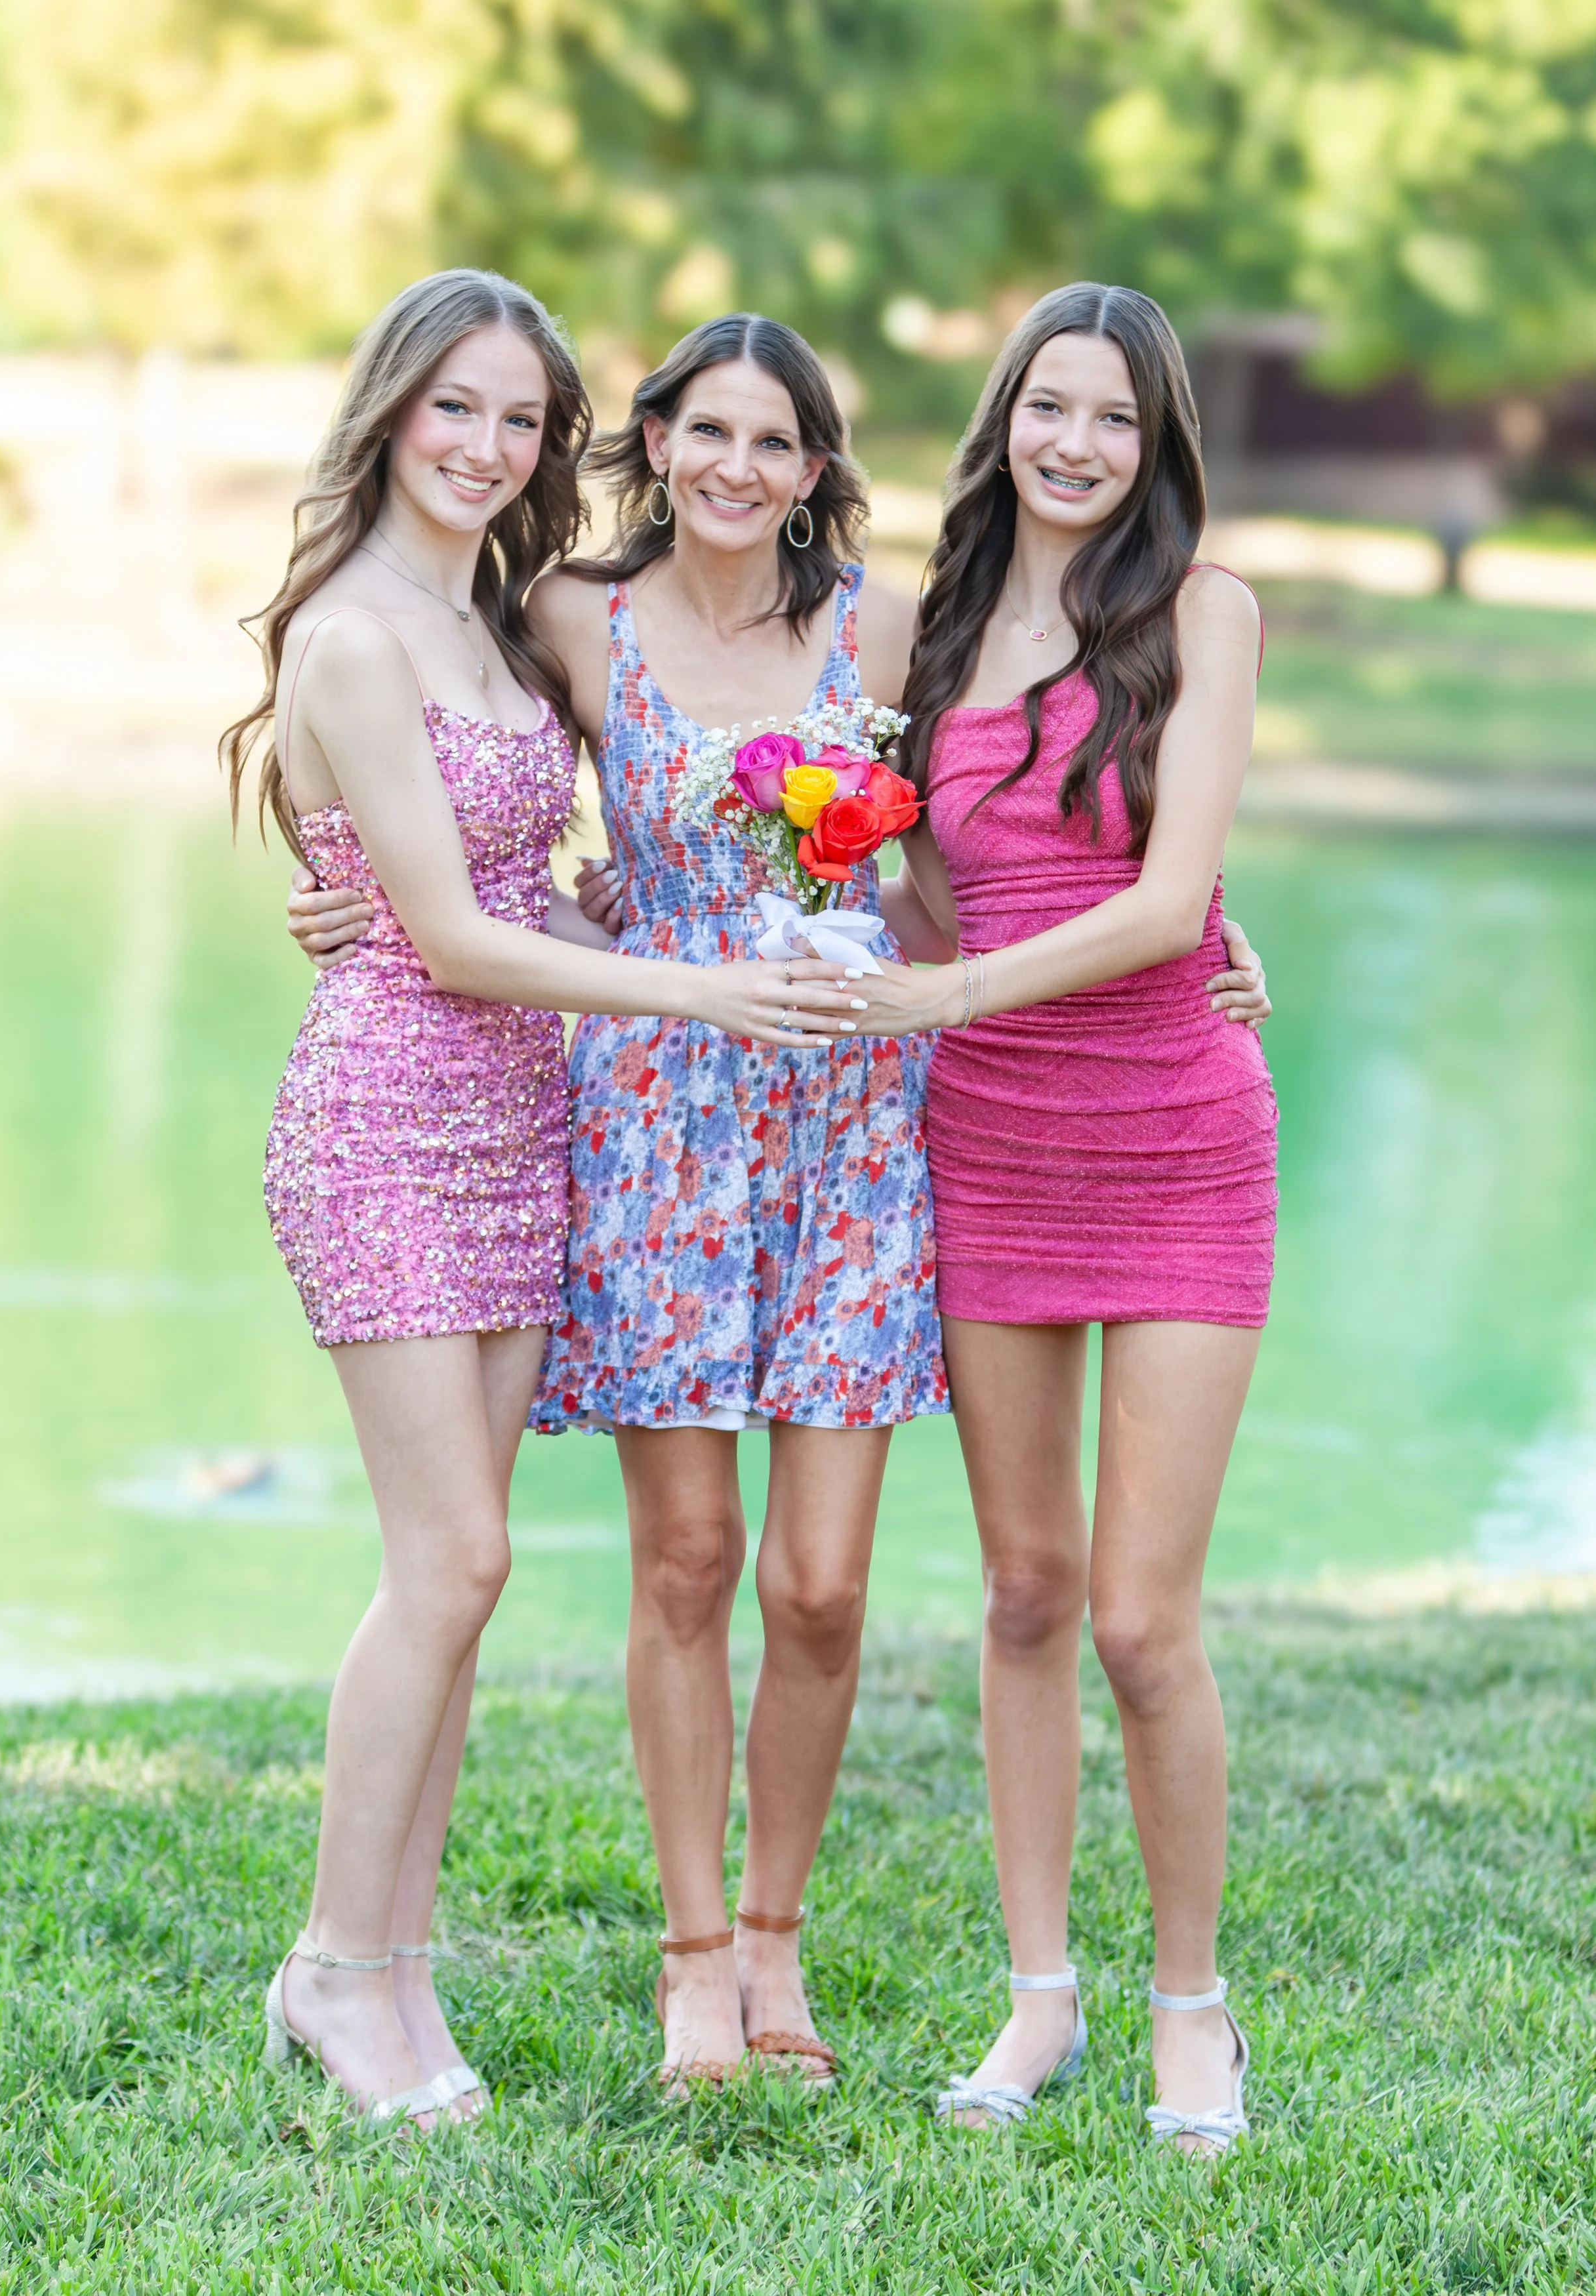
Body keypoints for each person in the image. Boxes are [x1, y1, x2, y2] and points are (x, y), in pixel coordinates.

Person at [288, 305, 1275, 2101]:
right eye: (705, 432)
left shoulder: (895, 627)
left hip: (853, 1131)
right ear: (653, 441)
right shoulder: (564, 620)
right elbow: (446, 791)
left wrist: (1212, 930)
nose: (737, 468)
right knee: (686, 1562)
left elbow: (980, 843)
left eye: (776, 441)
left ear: (819, 469)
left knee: (820, 1586)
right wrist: (333, 889)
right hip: (653, 1119)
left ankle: (777, 1939)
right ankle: (688, 1963)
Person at [222, 272, 862, 2129]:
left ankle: (395, 1969)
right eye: (456, 408)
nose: (487, 445)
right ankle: (339, 1967)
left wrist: (671, 930)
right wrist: (698, 987)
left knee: (463, 1576)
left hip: (529, 1130)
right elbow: (446, 936)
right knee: (455, 1563)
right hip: (391, 1126)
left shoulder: (494, 624)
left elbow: (530, 888)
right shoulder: (357, 634)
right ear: (390, 411)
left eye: (518, 418)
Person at [819, 283, 1276, 2154]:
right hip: (989, 1142)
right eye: (1044, 405)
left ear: (1154, 441)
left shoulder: (1201, 615)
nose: (1072, 441)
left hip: (1175, 1136)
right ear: (1002, 415)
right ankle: (1039, 2002)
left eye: (1110, 416)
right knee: (1019, 1589)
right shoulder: (918, 632)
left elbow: (1170, 903)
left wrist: (946, 995)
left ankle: (1192, 2008)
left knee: (1140, 1619)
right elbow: (921, 894)